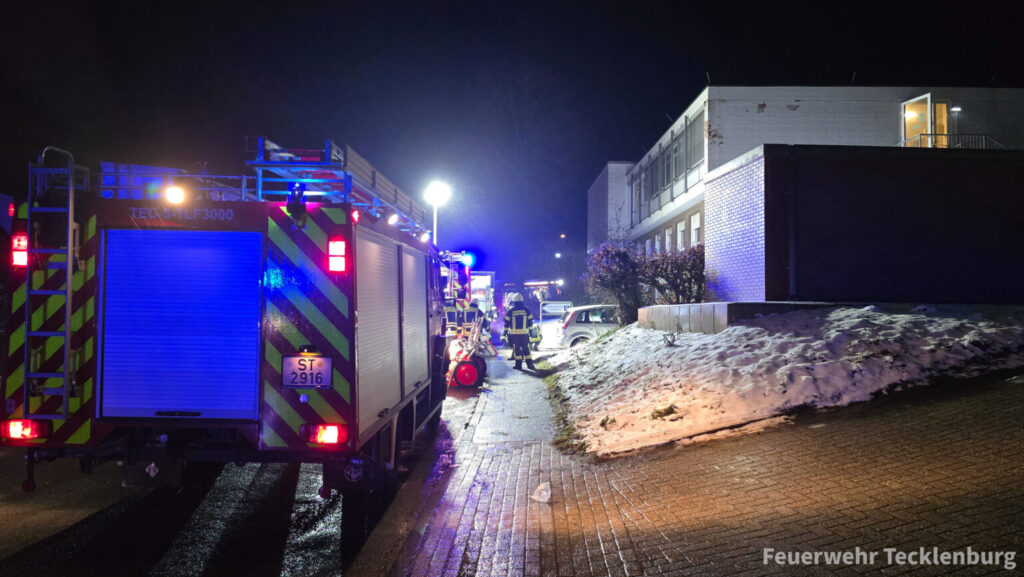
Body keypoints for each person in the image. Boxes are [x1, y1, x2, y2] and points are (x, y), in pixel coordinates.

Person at [503, 293, 535, 370]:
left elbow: (506, 323)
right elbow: (530, 322)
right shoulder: (526, 310)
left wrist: (505, 332)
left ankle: (518, 365)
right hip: (524, 333)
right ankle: (530, 365)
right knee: (526, 349)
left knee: (517, 350)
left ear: (514, 300)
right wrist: (531, 331)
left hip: (514, 334)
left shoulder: (510, 311)